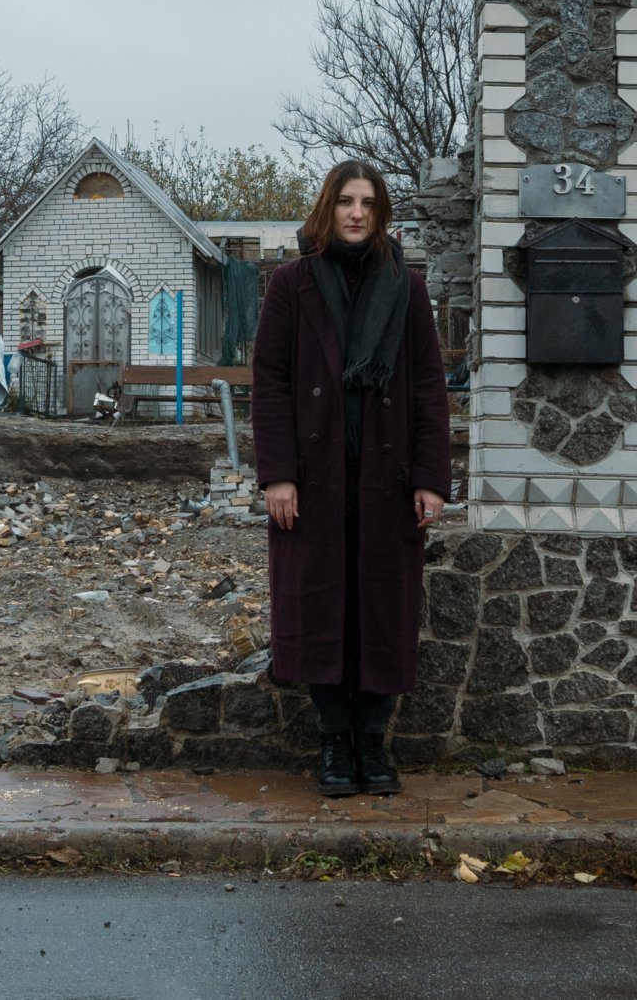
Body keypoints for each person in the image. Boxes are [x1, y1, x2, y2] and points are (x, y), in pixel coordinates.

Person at [251, 160, 451, 796]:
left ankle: (373, 742)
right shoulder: (292, 282)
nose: (357, 212)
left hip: (387, 477)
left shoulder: (407, 286)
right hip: (315, 477)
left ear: (382, 211)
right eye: (345, 201)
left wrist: (431, 478)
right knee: (320, 606)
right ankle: (334, 744)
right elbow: (271, 382)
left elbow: (427, 384)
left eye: (367, 201)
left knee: (381, 608)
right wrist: (278, 475)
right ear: (327, 209)